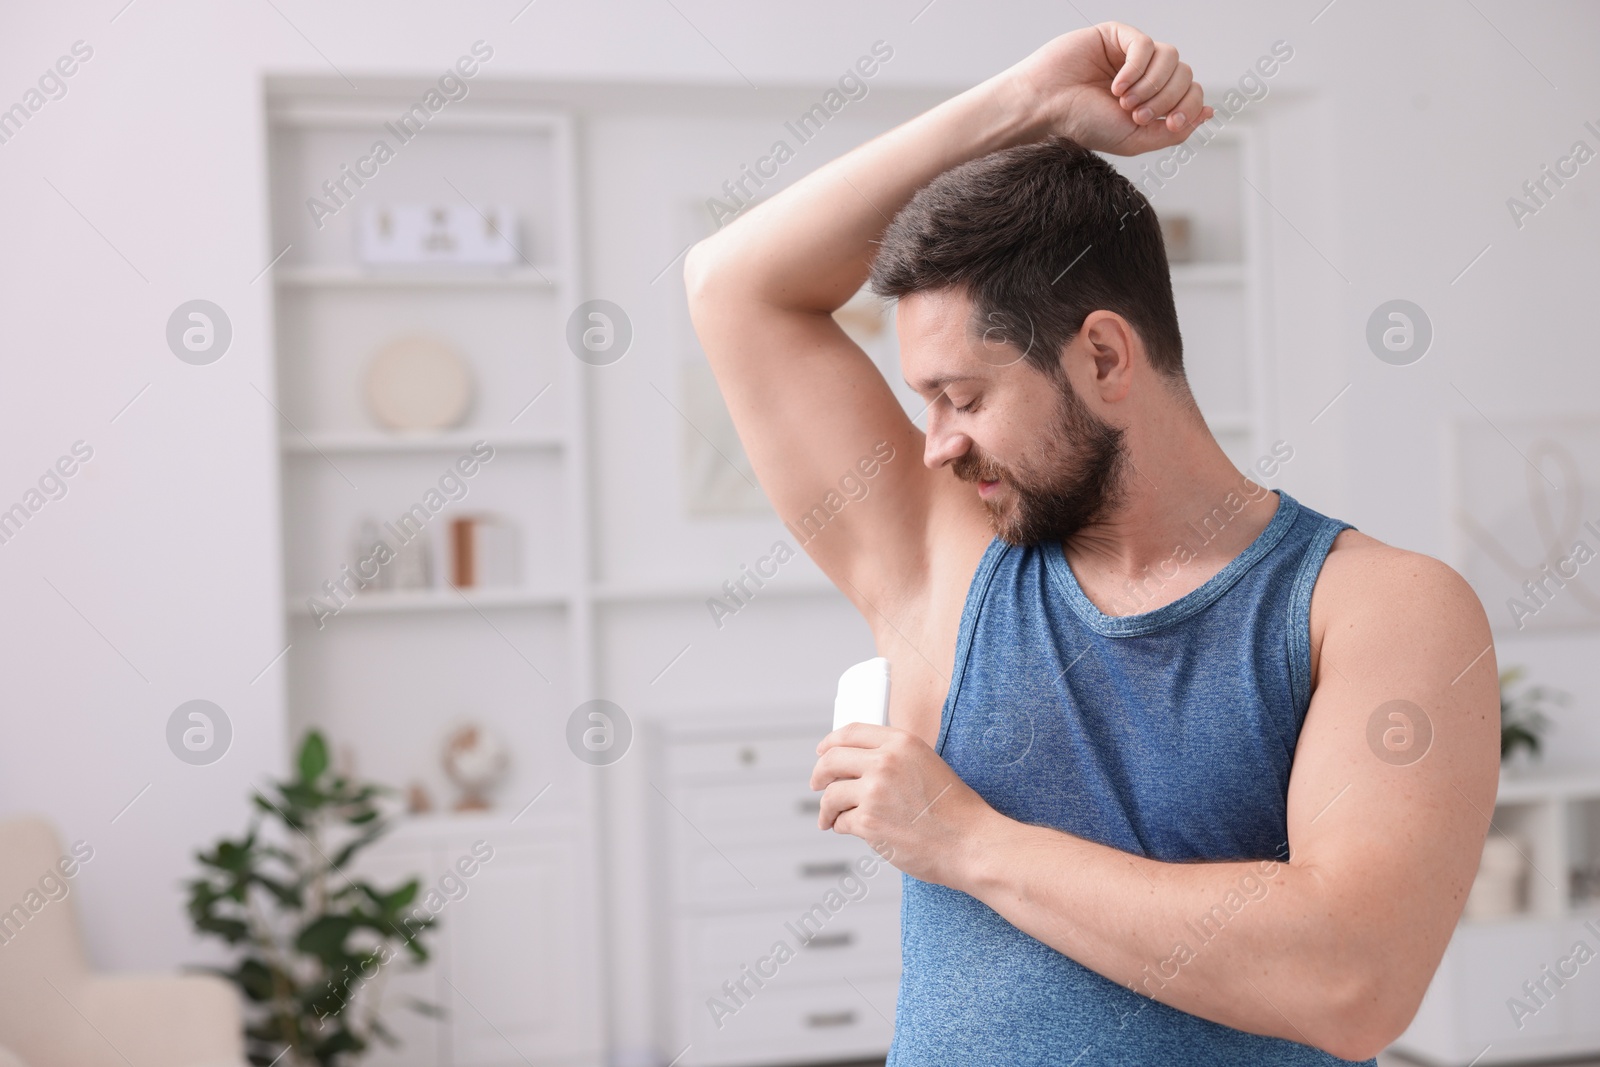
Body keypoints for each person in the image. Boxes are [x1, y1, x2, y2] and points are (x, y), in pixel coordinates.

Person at [683, 21, 1498, 1066]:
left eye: (962, 397)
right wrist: (1022, 105)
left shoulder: (1378, 608)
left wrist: (966, 841)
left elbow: (1351, 981)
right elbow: (731, 285)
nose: (933, 447)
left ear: (1104, 354)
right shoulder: (947, 563)